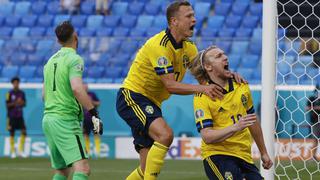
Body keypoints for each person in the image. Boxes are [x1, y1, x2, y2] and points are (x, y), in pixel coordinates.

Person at [116, 1, 245, 179]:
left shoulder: (189, 48)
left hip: (152, 103)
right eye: (189, 16)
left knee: (145, 170)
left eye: (193, 15)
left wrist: (229, 76)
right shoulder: (159, 46)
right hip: (132, 97)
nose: (194, 19)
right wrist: (203, 89)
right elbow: (171, 85)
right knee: (166, 135)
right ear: (174, 21)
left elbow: (205, 77)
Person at [190, 46, 273, 179]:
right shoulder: (202, 97)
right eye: (218, 56)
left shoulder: (242, 86)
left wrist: (264, 152)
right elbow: (207, 136)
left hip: (244, 155)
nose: (225, 57)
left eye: (224, 54)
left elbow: (252, 120)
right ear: (208, 67)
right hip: (217, 155)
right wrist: (235, 127)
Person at [42, 21, 103, 180]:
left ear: (58, 40)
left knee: (62, 170)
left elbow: (44, 95)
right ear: (75, 36)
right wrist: (93, 112)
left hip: (49, 119)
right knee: (83, 169)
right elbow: (77, 88)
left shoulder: (49, 62)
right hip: (65, 120)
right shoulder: (75, 59)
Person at [5, 77, 27, 158]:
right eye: (14, 83)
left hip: (20, 116)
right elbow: (7, 105)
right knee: (12, 133)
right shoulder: (9, 93)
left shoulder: (22, 93)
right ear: (12, 84)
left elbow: (25, 104)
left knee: (24, 132)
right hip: (11, 116)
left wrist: (21, 103)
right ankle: (13, 152)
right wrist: (15, 102)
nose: (16, 84)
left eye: (17, 82)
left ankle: (20, 151)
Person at [82, 84, 101, 157]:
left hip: (94, 118)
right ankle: (87, 153)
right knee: (86, 135)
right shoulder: (81, 96)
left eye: (86, 87)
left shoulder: (92, 94)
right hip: (85, 118)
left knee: (96, 134)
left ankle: (98, 153)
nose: (85, 88)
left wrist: (92, 102)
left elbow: (98, 103)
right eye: (84, 87)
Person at [306, 84, 320, 160]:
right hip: (315, 121)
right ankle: (313, 156)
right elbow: (307, 108)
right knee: (315, 139)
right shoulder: (311, 98)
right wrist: (316, 108)